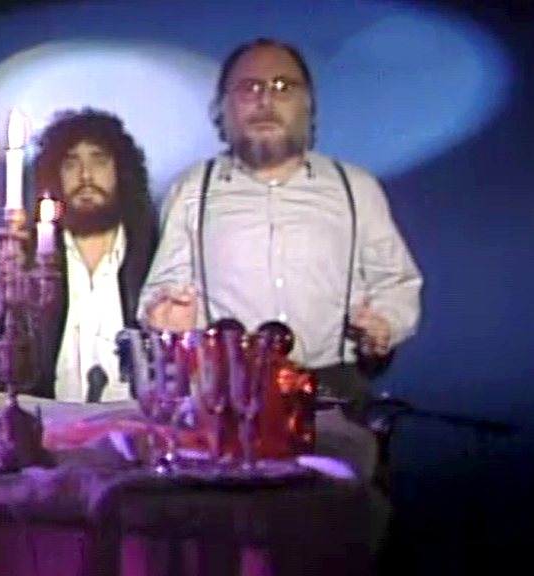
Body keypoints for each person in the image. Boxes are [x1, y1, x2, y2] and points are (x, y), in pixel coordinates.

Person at [141, 38, 422, 425]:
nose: (265, 100)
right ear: (223, 107)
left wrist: (384, 324)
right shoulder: (192, 189)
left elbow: (396, 282)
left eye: (283, 86)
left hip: (333, 395)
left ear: (308, 104)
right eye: (249, 87)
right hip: (226, 398)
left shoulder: (355, 187)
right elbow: (161, 291)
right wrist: (167, 321)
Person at [31, 109, 159, 402]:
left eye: (99, 161)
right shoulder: (32, 264)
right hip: (51, 424)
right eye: (70, 163)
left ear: (121, 171)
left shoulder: (153, 256)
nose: (86, 176)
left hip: (135, 424)